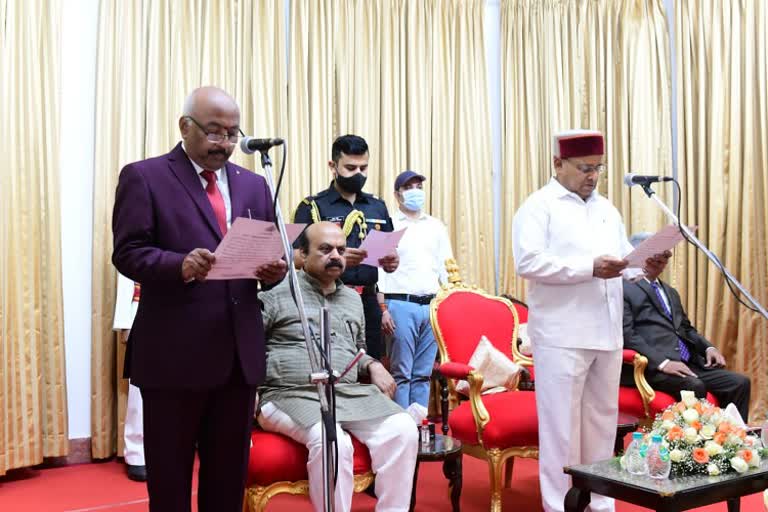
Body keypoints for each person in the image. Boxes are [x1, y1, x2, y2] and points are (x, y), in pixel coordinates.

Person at [112, 86, 287, 512]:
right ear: (184, 126)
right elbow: (128, 252)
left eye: (231, 133)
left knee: (227, 480)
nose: (224, 144)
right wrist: (180, 265)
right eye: (213, 132)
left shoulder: (255, 185)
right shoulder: (145, 176)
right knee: (170, 482)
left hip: (237, 355)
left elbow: (266, 251)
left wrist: (275, 270)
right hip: (173, 355)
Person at [512, 129, 669, 512]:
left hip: (607, 331)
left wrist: (644, 266)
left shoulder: (606, 209)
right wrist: (588, 267)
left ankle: (601, 503)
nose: (592, 176)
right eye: (584, 168)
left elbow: (621, 264)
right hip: (562, 335)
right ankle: (558, 505)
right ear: (558, 163)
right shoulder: (538, 206)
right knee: (561, 430)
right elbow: (528, 262)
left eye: (598, 168)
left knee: (602, 425)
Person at [258, 222, 418, 512]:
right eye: (325, 249)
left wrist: (373, 365)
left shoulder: (353, 299)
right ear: (302, 255)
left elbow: (357, 350)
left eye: (341, 250)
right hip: (287, 394)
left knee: (403, 428)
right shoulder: (276, 295)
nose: (335, 256)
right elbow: (249, 350)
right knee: (333, 441)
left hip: (346, 393)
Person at [293, 135, 399, 360]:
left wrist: (391, 261)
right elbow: (293, 257)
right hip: (326, 298)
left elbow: (388, 253)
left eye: (363, 167)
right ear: (333, 166)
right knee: (332, 364)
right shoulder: (312, 206)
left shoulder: (377, 206)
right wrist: (335, 258)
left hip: (368, 301)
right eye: (350, 167)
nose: (358, 174)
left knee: (371, 366)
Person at [622, 234, 751, 420]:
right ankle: (698, 445)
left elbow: (685, 328)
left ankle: (732, 441)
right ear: (640, 254)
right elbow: (628, 335)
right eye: (659, 252)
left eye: (667, 254)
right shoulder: (625, 288)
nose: (665, 258)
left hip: (687, 363)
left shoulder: (670, 292)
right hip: (654, 367)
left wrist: (708, 347)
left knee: (739, 383)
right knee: (694, 385)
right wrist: (664, 363)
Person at [377, 170, 453, 408]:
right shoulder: (388, 225)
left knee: (423, 373)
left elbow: (446, 267)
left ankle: (419, 426)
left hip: (431, 306)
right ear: (397, 195)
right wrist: (382, 308)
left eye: (419, 186)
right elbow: (379, 271)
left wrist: (448, 304)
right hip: (400, 304)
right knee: (401, 372)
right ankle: (402, 426)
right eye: (409, 187)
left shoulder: (436, 226)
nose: (415, 192)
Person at [113, 272, 146, 481]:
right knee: (140, 389)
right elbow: (127, 267)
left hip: (187, 312)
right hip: (144, 308)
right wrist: (125, 320)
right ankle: (136, 454)